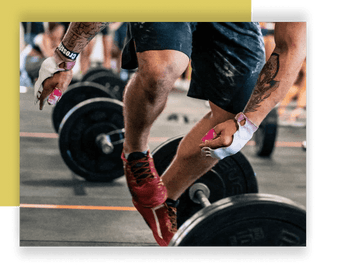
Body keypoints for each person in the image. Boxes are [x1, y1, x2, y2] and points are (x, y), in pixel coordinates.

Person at [33, 22, 307, 247]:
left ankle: (165, 199)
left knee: (232, 119)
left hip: (233, 15)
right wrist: (65, 56)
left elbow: (292, 45)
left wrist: (248, 123)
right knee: (161, 69)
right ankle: (135, 153)